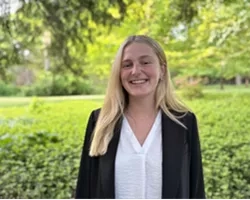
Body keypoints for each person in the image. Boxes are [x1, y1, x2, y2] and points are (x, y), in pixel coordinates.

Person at [75, 35, 206, 200]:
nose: (136, 71)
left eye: (145, 62)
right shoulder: (100, 120)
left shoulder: (184, 123)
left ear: (162, 70)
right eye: (127, 65)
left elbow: (196, 190)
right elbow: (85, 190)